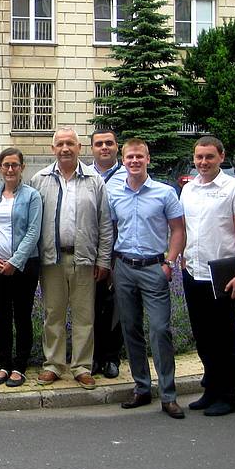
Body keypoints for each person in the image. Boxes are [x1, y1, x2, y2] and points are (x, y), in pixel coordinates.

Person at [107, 139, 186, 419]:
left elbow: (178, 230)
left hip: (154, 268)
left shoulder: (165, 193)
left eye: (139, 156)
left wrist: (169, 262)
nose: (134, 161)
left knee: (160, 330)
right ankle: (141, 387)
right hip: (124, 268)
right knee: (130, 330)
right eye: (130, 157)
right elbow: (112, 230)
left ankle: (168, 395)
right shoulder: (115, 194)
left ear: (148, 159)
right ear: (123, 160)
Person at [30, 127, 113, 390]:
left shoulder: (94, 181)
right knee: (52, 314)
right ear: (52, 149)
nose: (65, 148)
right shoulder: (40, 179)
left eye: (70, 144)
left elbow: (105, 224)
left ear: (79, 148)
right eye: (60, 144)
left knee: (84, 316)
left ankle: (81, 367)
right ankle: (53, 365)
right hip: (51, 259)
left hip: (84, 259)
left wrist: (103, 260)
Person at [181, 135, 235, 416]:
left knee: (224, 337)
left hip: (223, 275)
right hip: (193, 272)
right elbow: (185, 228)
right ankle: (210, 389)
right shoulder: (188, 189)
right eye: (199, 157)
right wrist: (180, 257)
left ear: (221, 157)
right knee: (203, 336)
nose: (203, 162)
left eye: (209, 156)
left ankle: (228, 396)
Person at [0, 147, 42, 388]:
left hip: (24, 266)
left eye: (14, 165)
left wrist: (15, 262)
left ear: (22, 167)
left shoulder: (32, 196)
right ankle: (4, 364)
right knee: (2, 316)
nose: (10, 169)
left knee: (22, 316)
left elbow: (33, 231)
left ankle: (20, 367)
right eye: (5, 165)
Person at [87, 129, 126, 379]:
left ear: (117, 147)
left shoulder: (128, 174)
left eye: (109, 143)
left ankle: (112, 357)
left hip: (119, 251)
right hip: (90, 251)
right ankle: (93, 357)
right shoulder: (84, 175)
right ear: (91, 148)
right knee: (90, 306)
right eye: (99, 143)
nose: (104, 147)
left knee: (115, 308)